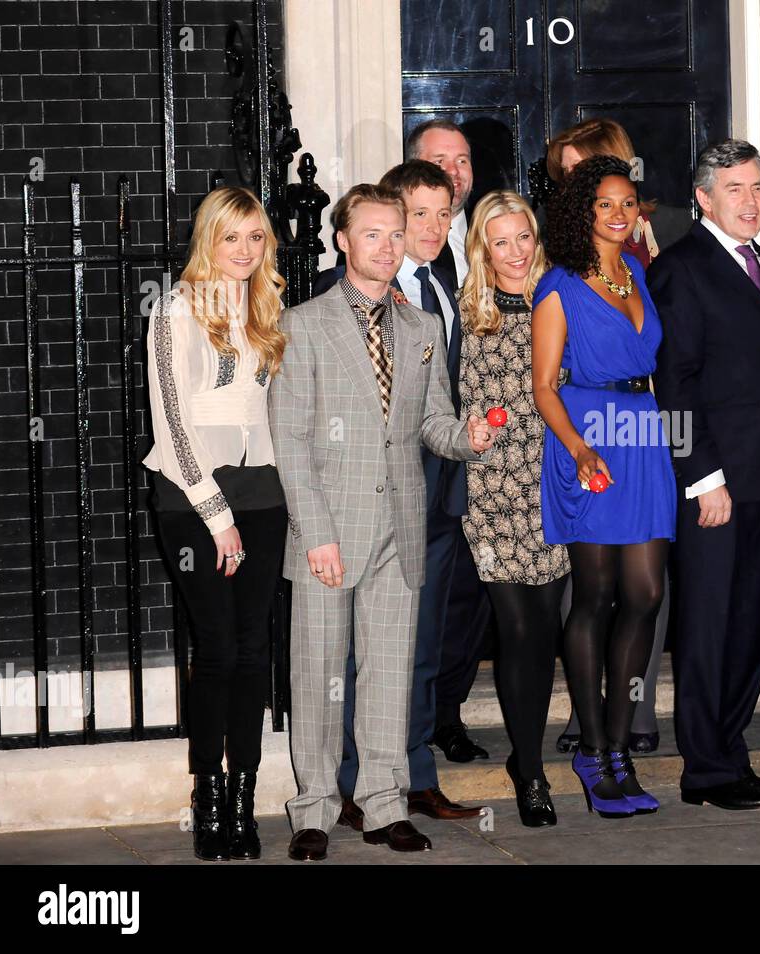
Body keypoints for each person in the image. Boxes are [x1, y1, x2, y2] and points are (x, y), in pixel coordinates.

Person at [272, 183, 495, 861]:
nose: (388, 246)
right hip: (330, 533)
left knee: (389, 675)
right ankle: (313, 809)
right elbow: (291, 441)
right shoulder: (302, 324)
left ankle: (383, 804)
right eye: (372, 234)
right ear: (343, 241)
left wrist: (470, 436)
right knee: (316, 674)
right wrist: (317, 534)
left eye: (396, 235)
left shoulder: (423, 329)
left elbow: (432, 425)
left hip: (401, 527)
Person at [648, 140, 760, 811]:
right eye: (736, 189)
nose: (751, 201)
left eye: (758, 187)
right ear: (704, 198)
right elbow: (674, 383)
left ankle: (731, 753)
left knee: (750, 622)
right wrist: (703, 478)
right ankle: (705, 771)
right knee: (710, 625)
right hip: (716, 484)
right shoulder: (683, 268)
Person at [332, 161, 488, 835]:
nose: (429, 229)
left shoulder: (450, 285)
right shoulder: (348, 296)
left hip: (440, 498)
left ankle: (416, 779)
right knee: (361, 653)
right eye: (415, 215)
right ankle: (349, 784)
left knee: (424, 648)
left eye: (441, 214)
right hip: (372, 500)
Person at [144, 186, 289, 861]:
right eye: (233, 237)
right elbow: (173, 420)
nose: (245, 251)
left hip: (263, 491)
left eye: (256, 238)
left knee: (255, 649)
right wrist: (214, 513)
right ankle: (207, 799)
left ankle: (243, 802)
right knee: (219, 649)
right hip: (190, 493)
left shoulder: (265, 305)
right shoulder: (175, 310)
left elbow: (271, 414)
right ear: (209, 238)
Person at [532, 155, 677, 818]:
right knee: (593, 596)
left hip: (643, 434)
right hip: (587, 435)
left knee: (645, 592)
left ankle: (619, 745)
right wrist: (579, 445)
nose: (621, 215)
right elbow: (542, 386)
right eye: (606, 205)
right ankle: (592, 750)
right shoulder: (557, 286)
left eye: (629, 203)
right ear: (583, 213)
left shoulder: (638, 274)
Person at [459, 190, 570, 826]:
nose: (514, 251)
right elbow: (455, 402)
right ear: (483, 247)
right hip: (492, 490)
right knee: (517, 629)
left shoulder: (558, 301)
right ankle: (529, 769)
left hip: (551, 484)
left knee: (545, 629)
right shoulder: (468, 314)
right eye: (499, 241)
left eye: (522, 236)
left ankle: (526, 756)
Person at [543, 117, 692, 269]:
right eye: (566, 170)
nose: (570, 179)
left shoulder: (675, 227)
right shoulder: (556, 230)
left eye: (578, 167)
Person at [406, 119, 475, 289]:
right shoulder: (388, 238)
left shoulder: (493, 233)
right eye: (439, 161)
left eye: (462, 161)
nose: (453, 171)